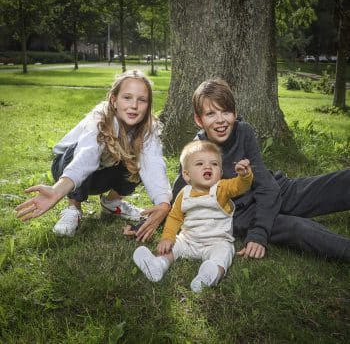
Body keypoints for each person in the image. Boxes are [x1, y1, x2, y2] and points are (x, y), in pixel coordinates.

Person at [172, 78, 350, 261]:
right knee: (297, 228)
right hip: (241, 212)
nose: (220, 121)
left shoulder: (244, 131)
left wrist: (259, 232)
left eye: (226, 112)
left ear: (235, 112)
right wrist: (258, 232)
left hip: (272, 188)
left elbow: (266, 186)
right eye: (210, 114)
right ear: (198, 120)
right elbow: (179, 196)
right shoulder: (195, 151)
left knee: (328, 185)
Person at [15, 70, 172, 241]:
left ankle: (112, 203)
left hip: (102, 176)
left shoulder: (148, 128)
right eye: (127, 97)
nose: (134, 105)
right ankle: (73, 209)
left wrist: (163, 204)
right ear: (114, 100)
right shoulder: (100, 118)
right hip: (67, 172)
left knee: (139, 159)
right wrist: (56, 191)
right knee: (77, 150)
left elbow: (153, 165)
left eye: (141, 100)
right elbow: (86, 156)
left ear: (148, 105)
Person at [133, 140, 253, 292]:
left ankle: (210, 274)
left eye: (214, 164)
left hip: (215, 242)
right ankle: (159, 265)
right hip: (188, 241)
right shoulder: (184, 194)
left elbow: (240, 186)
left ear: (221, 173)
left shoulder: (222, 188)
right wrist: (167, 237)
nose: (208, 166)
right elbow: (175, 218)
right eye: (200, 164)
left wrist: (244, 176)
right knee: (172, 246)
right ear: (187, 174)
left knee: (224, 252)